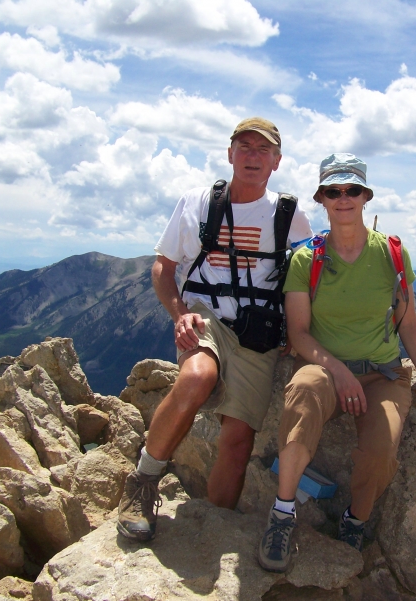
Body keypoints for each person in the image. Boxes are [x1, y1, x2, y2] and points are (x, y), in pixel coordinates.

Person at [117, 117, 313, 542]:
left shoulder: (289, 214)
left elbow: (306, 279)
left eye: (263, 150)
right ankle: (143, 483)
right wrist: (179, 313)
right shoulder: (197, 203)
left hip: (259, 332)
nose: (253, 156)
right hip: (205, 317)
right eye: (244, 147)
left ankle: (214, 527)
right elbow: (163, 268)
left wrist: (298, 333)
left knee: (238, 440)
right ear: (229, 154)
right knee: (197, 376)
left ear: (277, 161)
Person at [257, 153, 416, 572]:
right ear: (322, 199)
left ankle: (355, 520)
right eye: (334, 191)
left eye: (351, 190)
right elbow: (299, 334)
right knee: (303, 396)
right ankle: (282, 512)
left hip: (383, 372)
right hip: (325, 366)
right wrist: (341, 372)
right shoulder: (307, 259)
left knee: (381, 450)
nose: (343, 198)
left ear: (365, 196)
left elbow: (408, 323)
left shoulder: (392, 255)